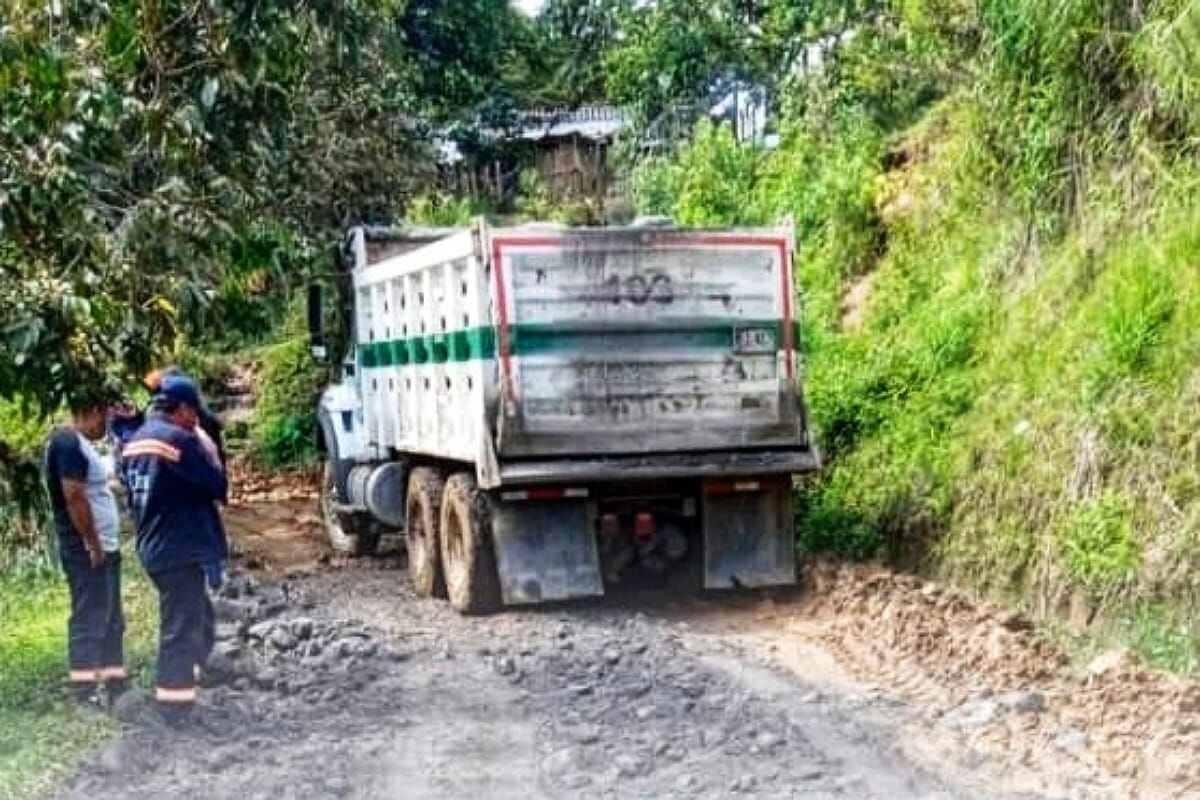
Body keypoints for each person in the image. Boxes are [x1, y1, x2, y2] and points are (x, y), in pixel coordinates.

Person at [122, 374, 227, 722]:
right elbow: (216, 485)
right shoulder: (179, 441)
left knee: (197, 616)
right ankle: (174, 707)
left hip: (154, 545)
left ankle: (193, 676)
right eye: (193, 412)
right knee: (180, 626)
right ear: (180, 409)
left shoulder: (136, 441)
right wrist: (208, 446)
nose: (196, 419)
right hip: (179, 548)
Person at [43, 395, 126, 706]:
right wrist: (92, 543)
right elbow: (74, 495)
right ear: (92, 411)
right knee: (90, 618)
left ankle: (115, 684)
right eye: (105, 417)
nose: (106, 426)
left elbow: (90, 488)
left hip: (105, 547)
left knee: (112, 618)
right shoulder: (66, 442)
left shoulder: (80, 443)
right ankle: (83, 692)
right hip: (87, 550)